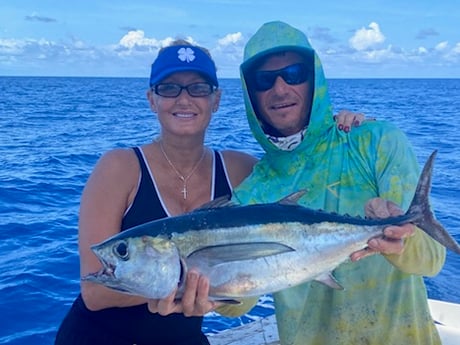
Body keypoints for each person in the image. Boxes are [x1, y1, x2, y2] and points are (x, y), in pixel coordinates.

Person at [54, 38, 365, 345]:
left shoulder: (240, 169)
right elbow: (94, 292)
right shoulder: (119, 167)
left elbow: (300, 167)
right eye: (169, 87)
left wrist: (337, 126)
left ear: (215, 100)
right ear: (152, 99)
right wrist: (177, 284)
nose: (184, 99)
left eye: (198, 88)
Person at [230, 21, 446, 344]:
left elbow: (432, 259)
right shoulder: (252, 194)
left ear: (313, 78)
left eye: (294, 74)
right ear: (251, 94)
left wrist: (403, 239)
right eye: (264, 80)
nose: (279, 89)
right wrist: (209, 293)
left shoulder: (375, 142)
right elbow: (241, 300)